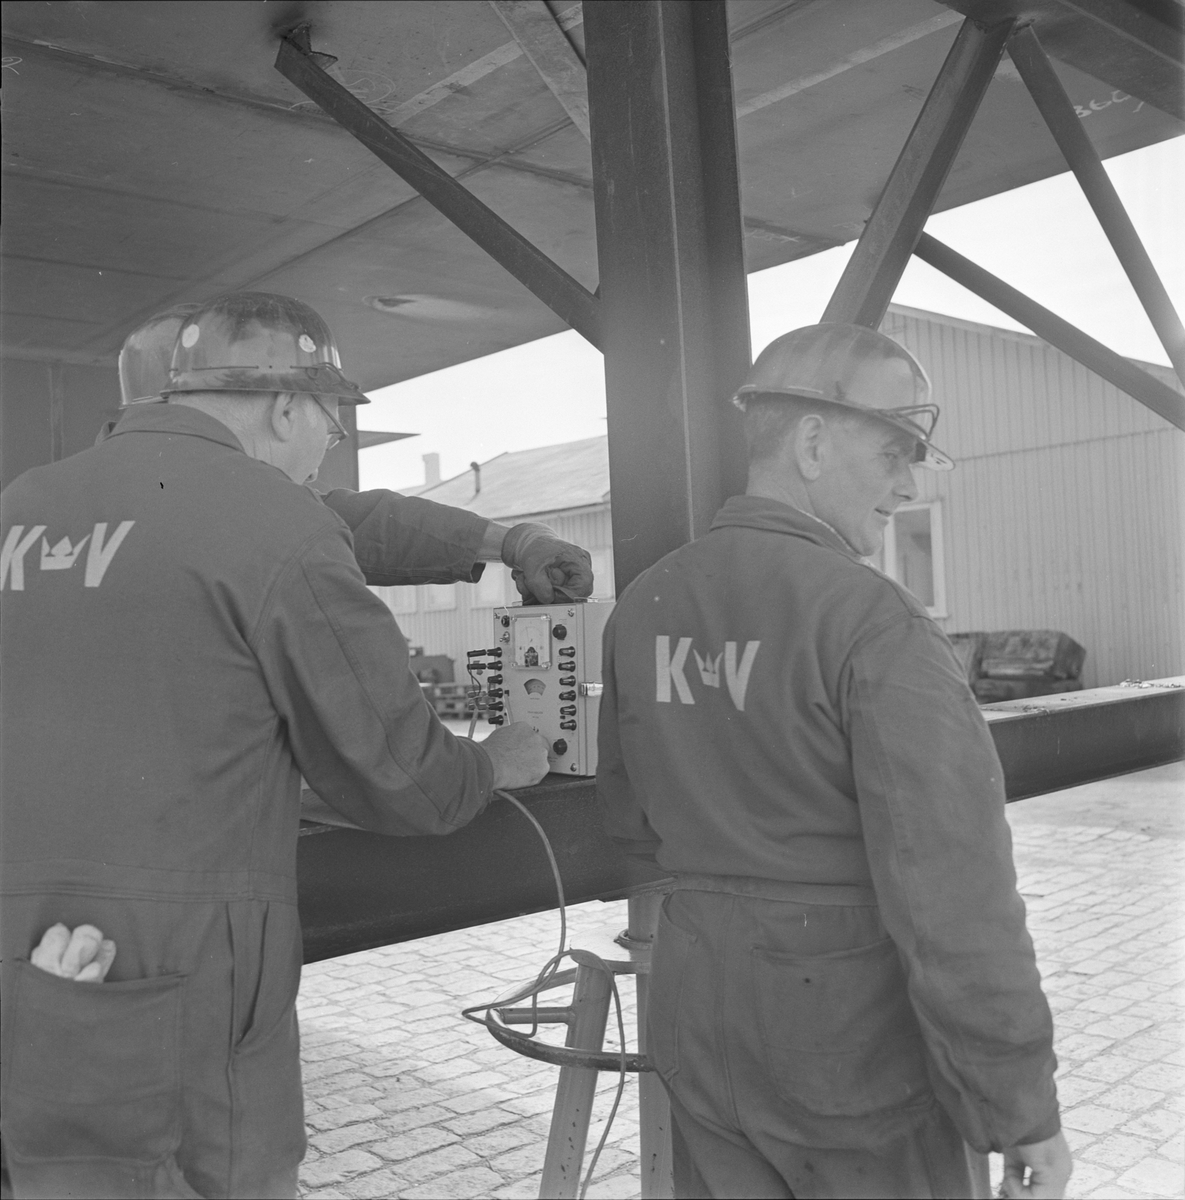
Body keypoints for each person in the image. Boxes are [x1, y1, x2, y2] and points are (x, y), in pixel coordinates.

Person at [0, 291, 557, 1200]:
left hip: (31, 948)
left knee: (58, 1171)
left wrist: (498, 538)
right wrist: (497, 760)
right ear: (288, 405)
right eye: (331, 417)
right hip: (187, 962)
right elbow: (405, 779)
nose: (330, 441)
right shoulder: (275, 521)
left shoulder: (24, 503)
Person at [596, 323, 1073, 1200]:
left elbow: (627, 821)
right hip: (844, 1033)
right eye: (893, 452)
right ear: (812, 442)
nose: (907, 484)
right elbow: (953, 897)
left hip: (697, 1009)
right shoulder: (873, 622)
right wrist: (1020, 1108)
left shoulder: (646, 601)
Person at [100, 302, 594, 607]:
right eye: (329, 430)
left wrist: (514, 541)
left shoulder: (64, 499)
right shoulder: (244, 521)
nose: (314, 468)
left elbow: (360, 520)